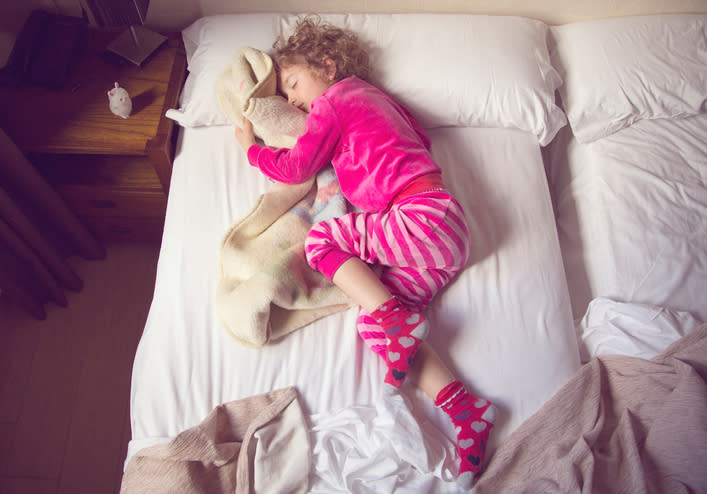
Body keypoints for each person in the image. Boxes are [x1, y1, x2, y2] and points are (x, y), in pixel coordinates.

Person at [234, 16, 496, 486]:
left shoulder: (336, 99)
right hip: (441, 238)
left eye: (294, 85)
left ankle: (400, 319)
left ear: (328, 66)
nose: (294, 102)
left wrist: (252, 150)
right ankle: (466, 411)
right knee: (374, 324)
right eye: (289, 99)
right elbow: (421, 138)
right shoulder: (381, 103)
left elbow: (298, 165)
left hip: (421, 214)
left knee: (323, 239)